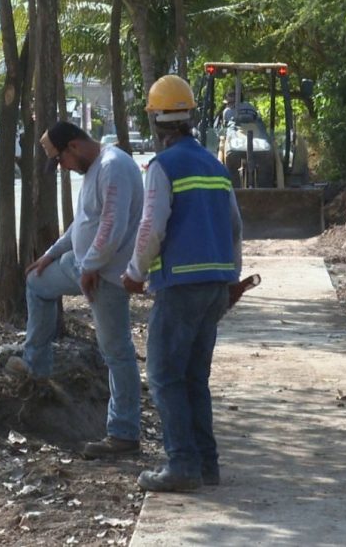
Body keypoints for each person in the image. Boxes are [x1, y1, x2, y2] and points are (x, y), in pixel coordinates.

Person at [122, 75, 243, 492]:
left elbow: (151, 228)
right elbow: (234, 229)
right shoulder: (215, 165)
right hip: (214, 287)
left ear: (156, 119)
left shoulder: (163, 167)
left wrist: (134, 274)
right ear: (190, 116)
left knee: (164, 376)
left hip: (180, 288)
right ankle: (206, 465)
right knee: (194, 378)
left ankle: (181, 465)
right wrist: (231, 280)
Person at [8, 120, 144, 460]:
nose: (64, 168)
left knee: (117, 353)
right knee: (37, 283)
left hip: (106, 276)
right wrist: (51, 255)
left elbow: (113, 227)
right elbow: (83, 223)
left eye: (61, 161)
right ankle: (36, 366)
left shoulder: (113, 167)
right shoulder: (94, 170)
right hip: (83, 266)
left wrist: (91, 268)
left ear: (74, 146)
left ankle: (124, 432)